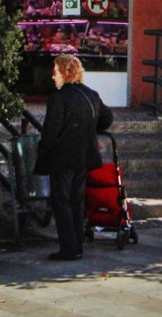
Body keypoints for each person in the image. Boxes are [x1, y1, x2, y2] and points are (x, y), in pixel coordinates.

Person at [35, 54, 113, 260]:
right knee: (77, 200)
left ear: (65, 72)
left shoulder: (59, 98)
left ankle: (69, 247)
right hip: (85, 156)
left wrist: (43, 150)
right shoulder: (91, 94)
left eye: (56, 70)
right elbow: (107, 118)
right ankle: (77, 244)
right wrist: (89, 128)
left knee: (61, 200)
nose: (52, 76)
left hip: (62, 157)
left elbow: (50, 131)